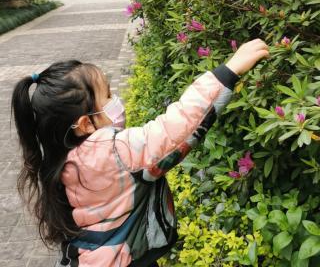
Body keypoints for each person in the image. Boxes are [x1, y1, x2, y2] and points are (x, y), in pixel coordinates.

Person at [11, 39, 269, 267]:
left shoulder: (63, 158)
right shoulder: (114, 153)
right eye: (108, 95)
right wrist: (228, 72)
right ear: (85, 125)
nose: (116, 99)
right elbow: (173, 130)